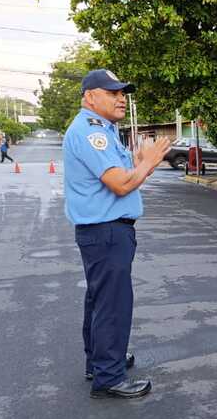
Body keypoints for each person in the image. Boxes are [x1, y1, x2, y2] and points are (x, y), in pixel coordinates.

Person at [63, 68, 171, 399]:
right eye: (112, 93)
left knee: (100, 299)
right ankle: (109, 376)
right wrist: (148, 162)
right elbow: (121, 184)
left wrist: (141, 162)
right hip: (106, 231)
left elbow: (126, 175)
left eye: (122, 93)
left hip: (105, 230)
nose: (121, 98)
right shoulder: (91, 132)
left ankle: (100, 361)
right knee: (112, 303)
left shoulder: (104, 130)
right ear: (90, 97)